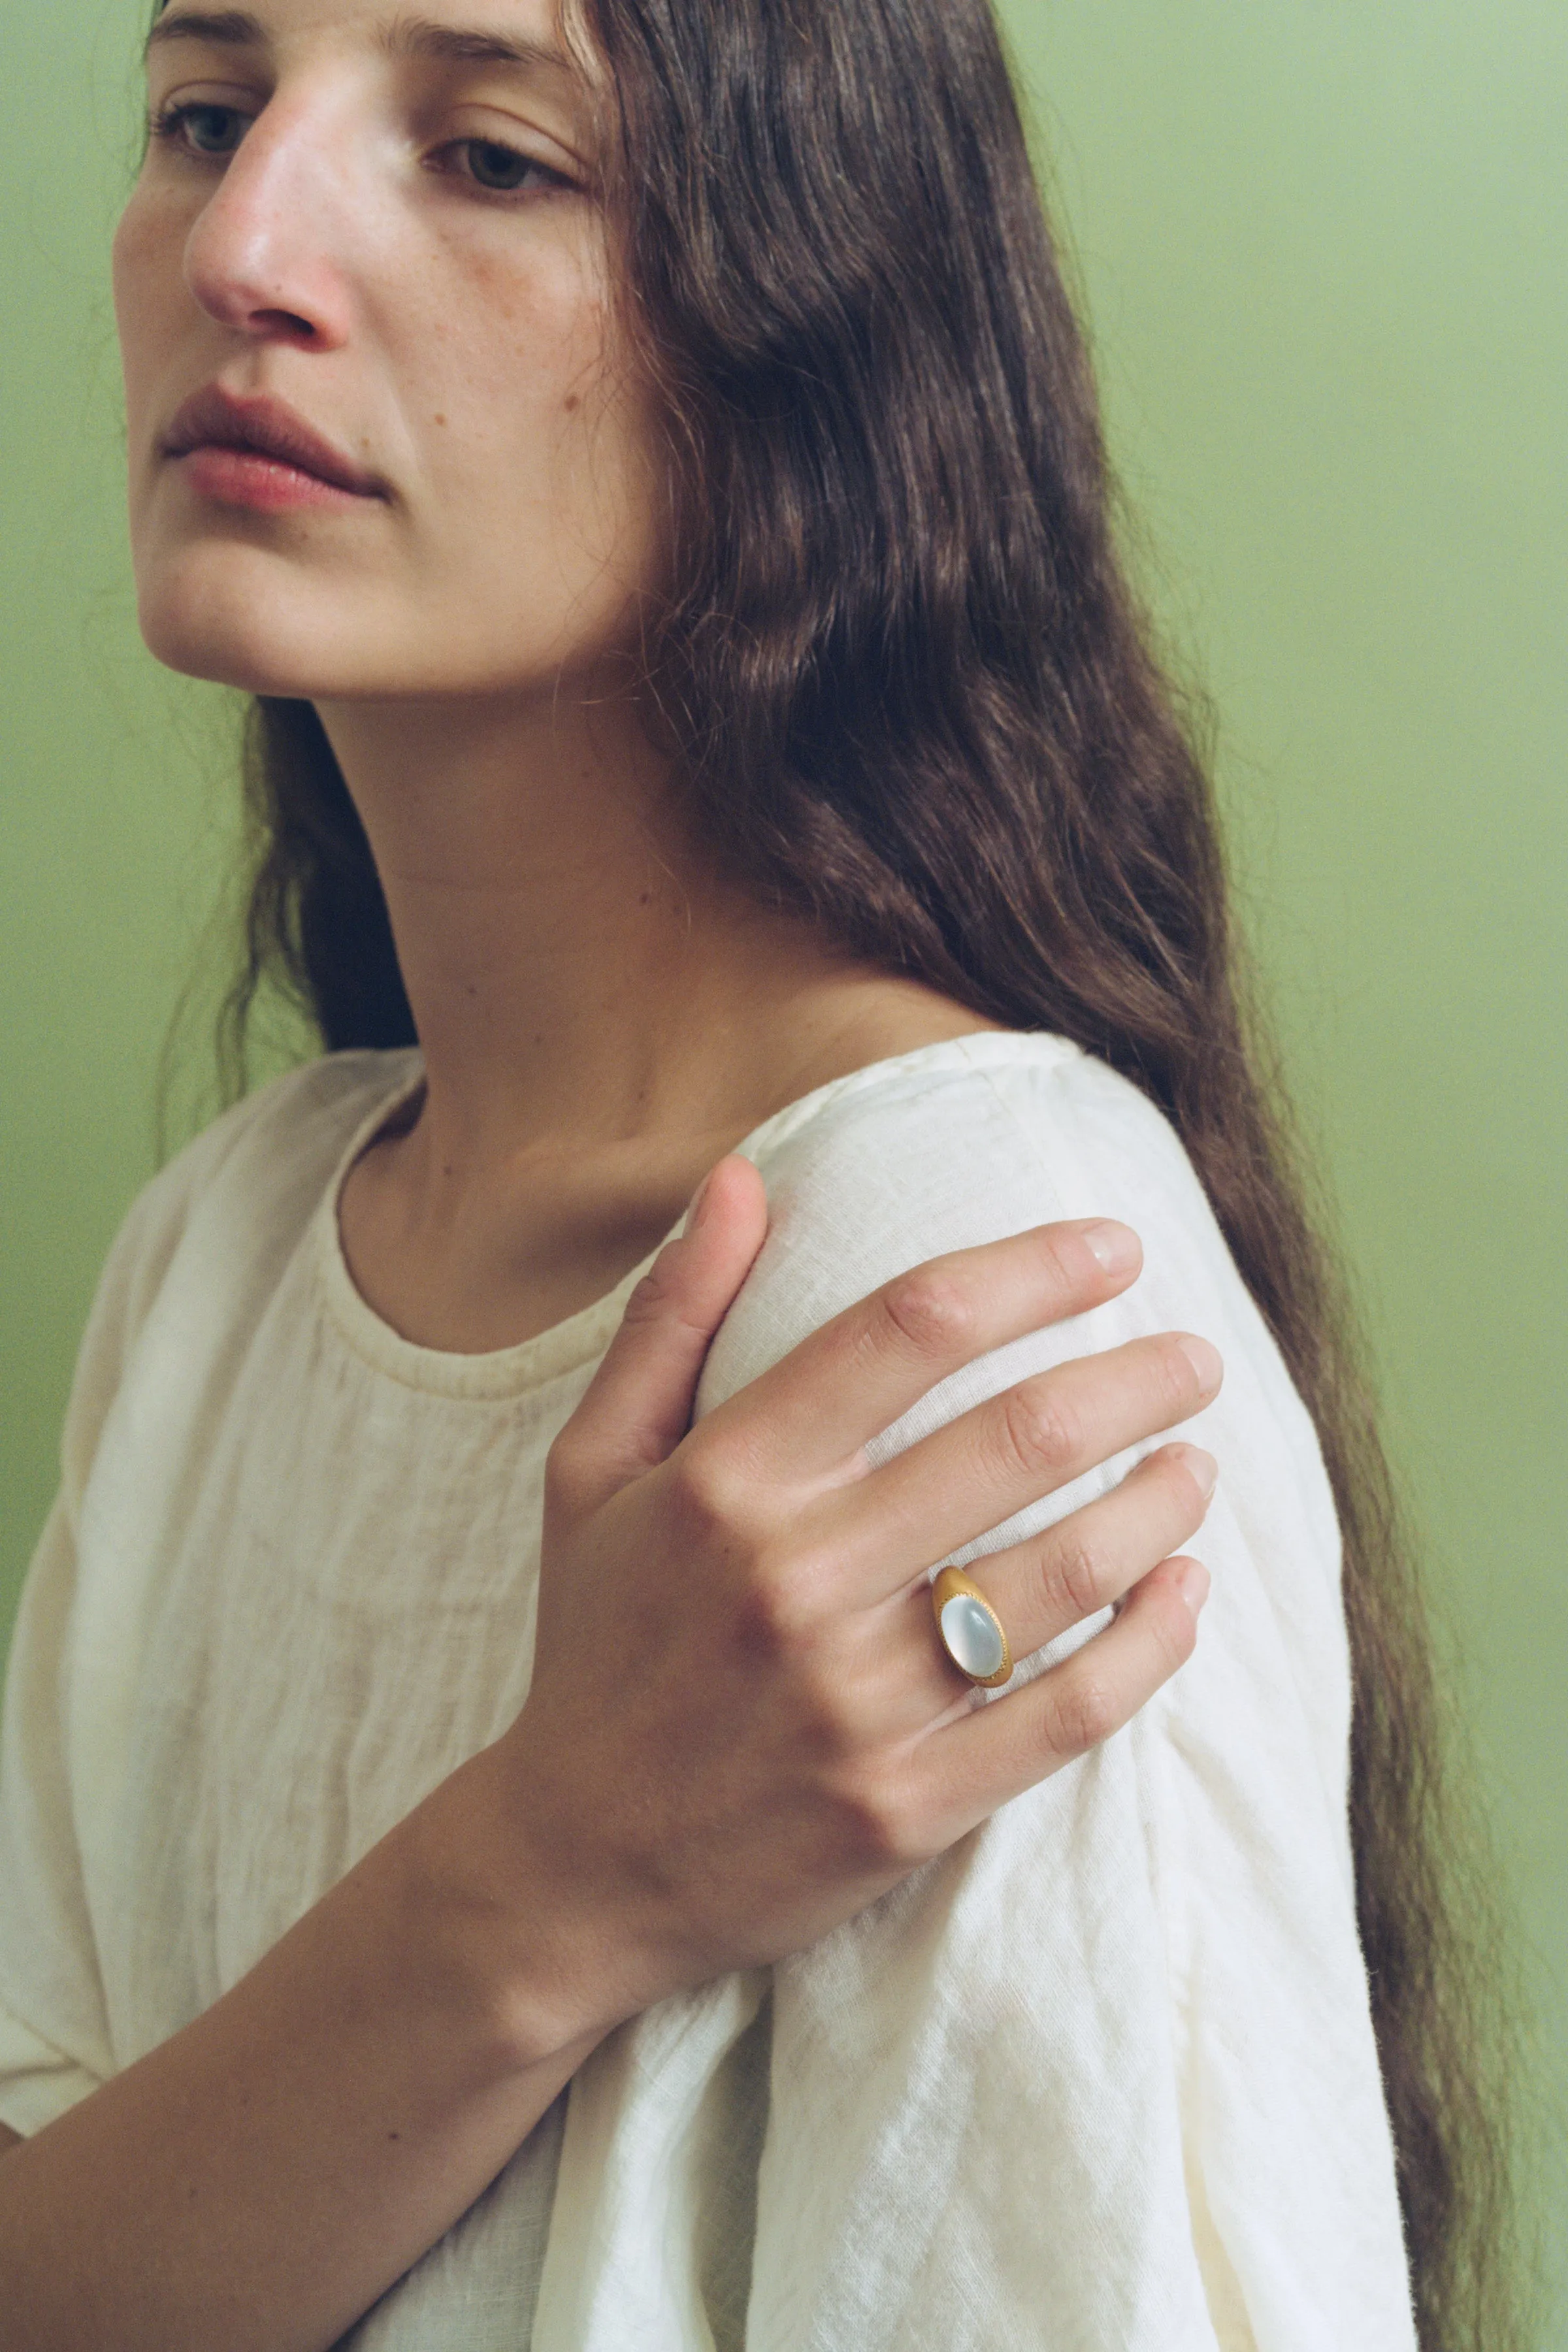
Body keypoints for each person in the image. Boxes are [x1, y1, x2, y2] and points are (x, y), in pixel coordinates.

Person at [0, 0, 1518, 2345]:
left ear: (814, 330)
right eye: (205, 116)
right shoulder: (220, 1261)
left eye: (491, 155)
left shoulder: (957, 1287)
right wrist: (536, 1880)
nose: (247, 244)